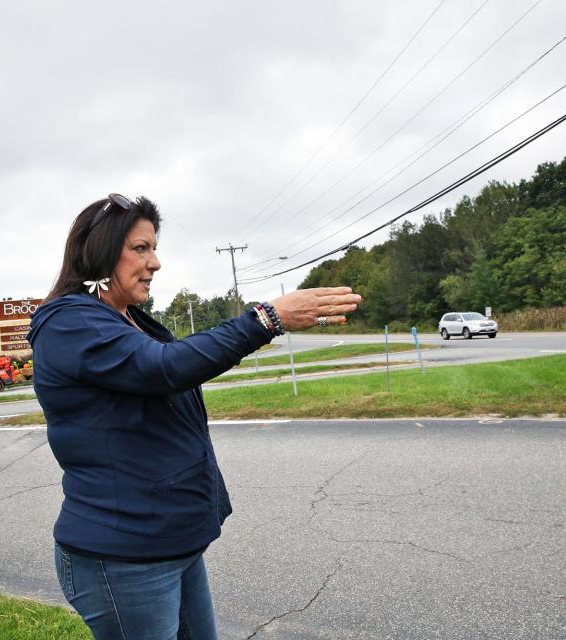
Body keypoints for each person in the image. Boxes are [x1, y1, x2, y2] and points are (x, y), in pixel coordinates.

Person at [27, 193, 361, 640]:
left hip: (170, 542)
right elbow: (164, 368)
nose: (156, 262)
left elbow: (177, 367)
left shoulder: (131, 321)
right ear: (100, 252)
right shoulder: (70, 323)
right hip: (123, 554)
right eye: (141, 248)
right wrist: (266, 319)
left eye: (154, 248)